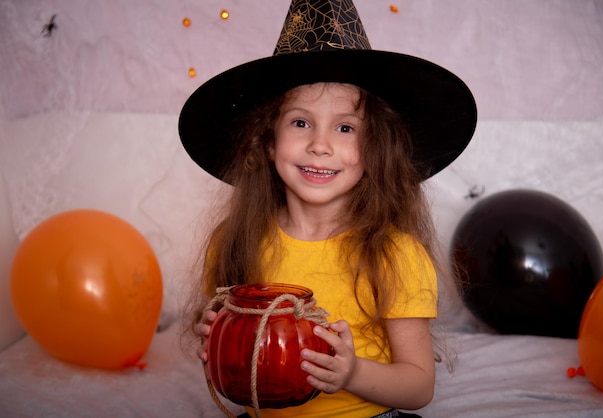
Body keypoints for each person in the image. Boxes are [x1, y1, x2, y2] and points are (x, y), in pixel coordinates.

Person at [178, 1, 477, 417]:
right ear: (267, 143)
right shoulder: (234, 242)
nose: (320, 145)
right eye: (300, 123)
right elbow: (241, 371)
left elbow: (419, 386)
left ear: (373, 151)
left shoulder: (394, 254)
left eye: (345, 127)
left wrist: (350, 372)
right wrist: (221, 343)